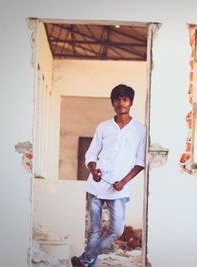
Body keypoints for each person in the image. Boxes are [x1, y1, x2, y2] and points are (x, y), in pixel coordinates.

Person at [71, 84, 146, 267]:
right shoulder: (103, 127)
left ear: (131, 102)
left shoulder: (140, 130)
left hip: (119, 187)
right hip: (96, 184)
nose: (121, 103)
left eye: (125, 99)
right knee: (94, 231)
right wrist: (93, 169)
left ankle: (84, 260)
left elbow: (140, 161)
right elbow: (91, 154)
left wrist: (124, 181)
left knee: (117, 229)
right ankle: (89, 264)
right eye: (117, 99)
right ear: (112, 102)